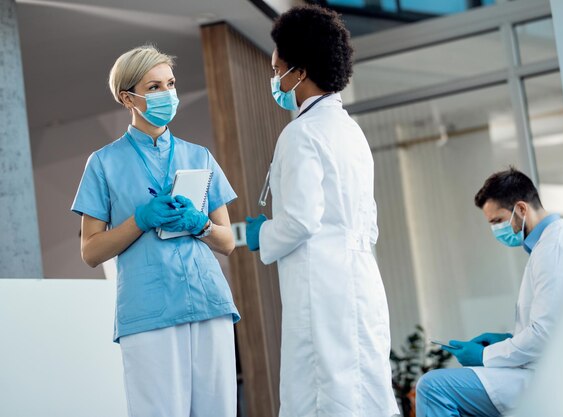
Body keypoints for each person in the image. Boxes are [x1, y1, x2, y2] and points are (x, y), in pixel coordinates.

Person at [244, 6, 400, 417]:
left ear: (300, 71)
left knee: (321, 394)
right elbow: (369, 223)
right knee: (366, 392)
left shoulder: (301, 134)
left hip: (321, 287)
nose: (275, 80)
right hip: (361, 282)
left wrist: (262, 235)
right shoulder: (351, 131)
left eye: (277, 69)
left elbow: (299, 220)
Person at [71, 45, 240, 417]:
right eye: (153, 87)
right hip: (149, 310)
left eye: (170, 84)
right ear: (126, 97)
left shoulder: (199, 156)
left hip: (208, 301)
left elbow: (228, 241)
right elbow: (91, 251)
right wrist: (140, 220)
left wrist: (203, 225)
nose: (167, 94)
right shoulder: (103, 164)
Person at [415, 167, 563, 417]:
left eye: (497, 221)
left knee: (433, 388)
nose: (495, 230)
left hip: (553, 379)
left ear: (521, 209)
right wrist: (504, 339)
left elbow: (545, 335)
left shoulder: (555, 250)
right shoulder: (550, 246)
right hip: (544, 370)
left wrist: (486, 355)